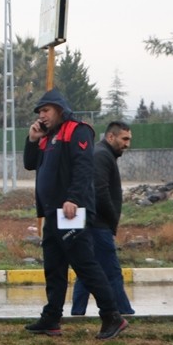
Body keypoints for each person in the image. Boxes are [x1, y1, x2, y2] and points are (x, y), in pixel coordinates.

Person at [23, 89, 128, 341]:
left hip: (71, 211)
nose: (42, 116)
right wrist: (32, 139)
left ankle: (112, 316)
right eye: (39, 112)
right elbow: (29, 163)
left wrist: (73, 199)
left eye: (46, 110)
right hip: (51, 212)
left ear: (59, 109)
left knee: (84, 263)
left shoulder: (76, 130)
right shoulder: (48, 136)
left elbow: (84, 168)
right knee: (54, 265)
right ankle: (52, 318)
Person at [72, 121, 135, 316]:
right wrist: (112, 218)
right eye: (124, 139)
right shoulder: (102, 155)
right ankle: (124, 312)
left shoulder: (104, 154)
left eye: (129, 140)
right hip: (98, 225)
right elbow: (100, 191)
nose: (127, 144)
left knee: (88, 271)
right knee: (112, 272)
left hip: (94, 224)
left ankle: (77, 314)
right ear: (110, 137)